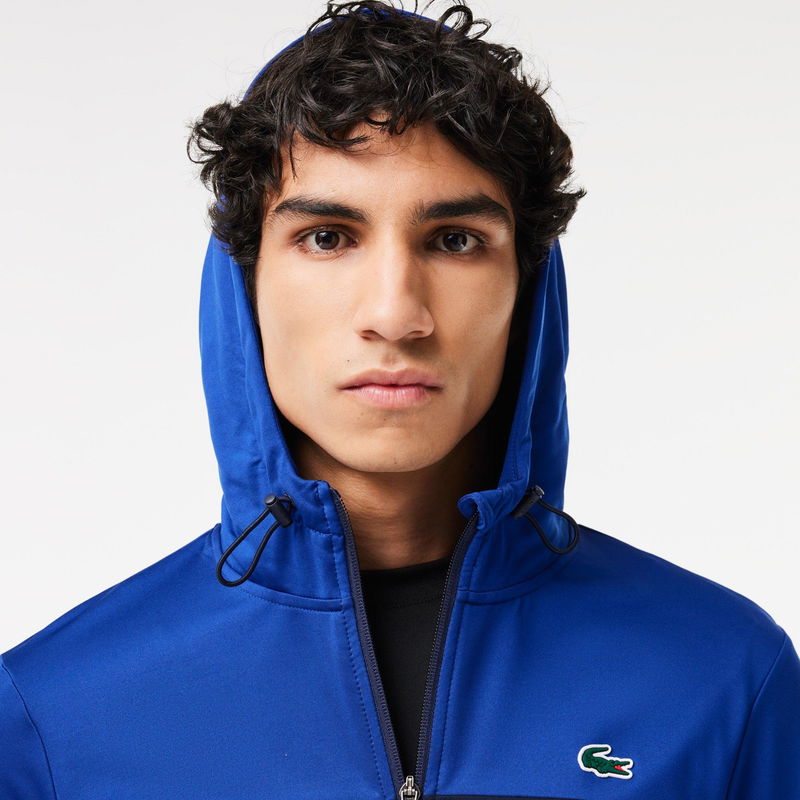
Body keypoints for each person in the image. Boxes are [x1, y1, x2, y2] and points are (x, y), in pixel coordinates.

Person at [2, 2, 798, 798]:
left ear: (525, 288)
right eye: (327, 237)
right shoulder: (54, 719)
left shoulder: (723, 680)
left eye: (455, 241)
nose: (395, 314)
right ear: (246, 284)